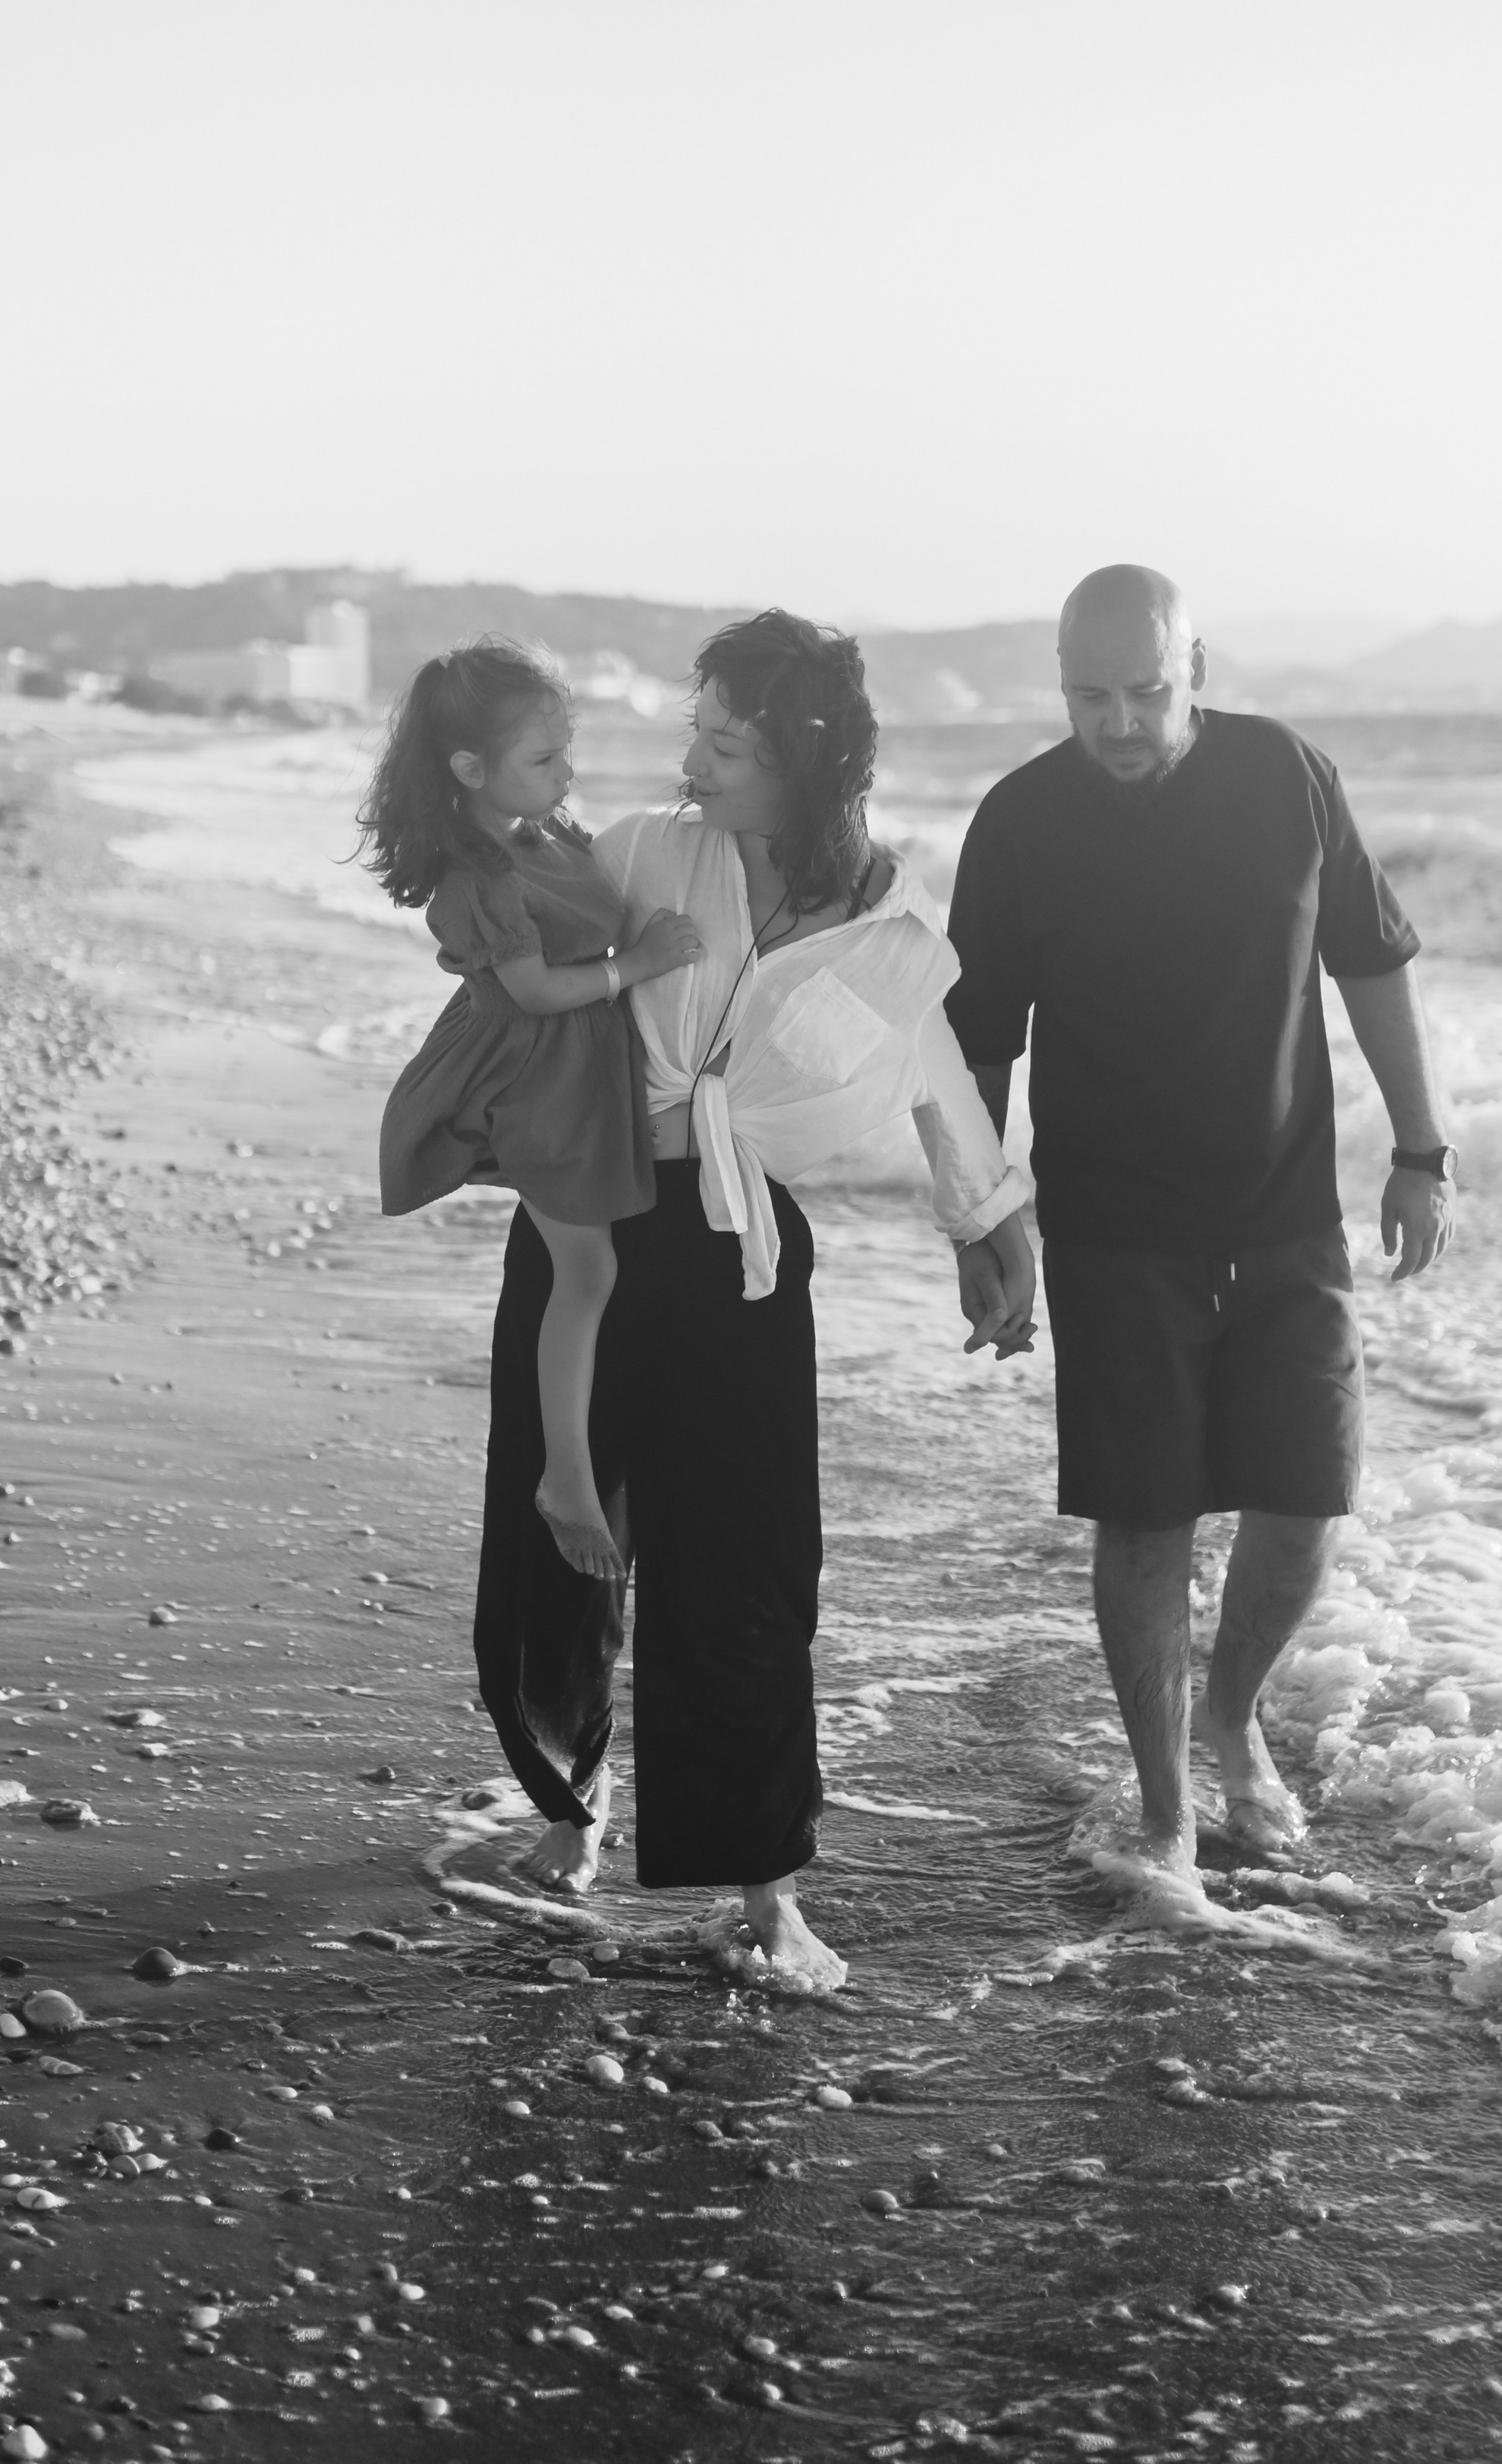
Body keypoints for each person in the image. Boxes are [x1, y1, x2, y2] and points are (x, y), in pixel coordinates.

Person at [475, 609, 1037, 1990]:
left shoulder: (890, 919)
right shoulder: (646, 851)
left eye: (726, 740)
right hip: (593, 1219)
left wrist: (988, 1220)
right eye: (694, 731)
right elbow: (512, 951)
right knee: (558, 1536)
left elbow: (930, 1065)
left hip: (742, 1248)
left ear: (807, 754)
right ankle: (568, 1799)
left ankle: (765, 1887)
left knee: (750, 1572)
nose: (695, 759)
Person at [946, 565, 1455, 1915]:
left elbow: (1373, 960)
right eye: (1088, 697)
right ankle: (1169, 1802)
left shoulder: (1285, 778)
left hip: (1290, 1222)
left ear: (1199, 670)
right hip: (1116, 1234)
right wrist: (982, 1226)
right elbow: (971, 1045)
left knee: (1302, 1514)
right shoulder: (1020, 823)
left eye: (1145, 692)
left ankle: (1233, 1715)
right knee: (1147, 1522)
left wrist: (1422, 1151)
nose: (1116, 723)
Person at [361, 640, 704, 1577]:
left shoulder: (546, 835)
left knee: (597, 1270)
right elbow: (531, 992)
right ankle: (565, 1478)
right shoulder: (480, 876)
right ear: (470, 769)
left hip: (584, 1072)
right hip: (532, 1078)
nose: (566, 774)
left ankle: (588, 1465)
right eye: (543, 760)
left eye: (566, 754)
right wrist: (636, 966)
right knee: (587, 1274)